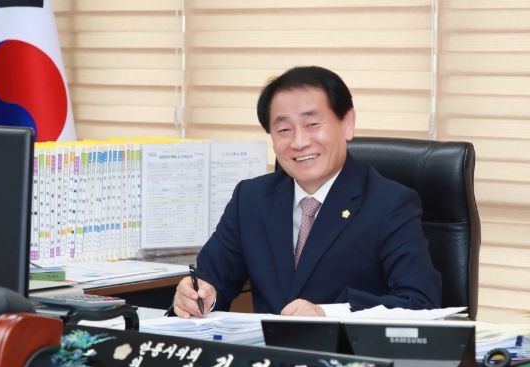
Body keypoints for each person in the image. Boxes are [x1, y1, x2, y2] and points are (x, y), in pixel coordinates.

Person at [173, 66, 441, 318]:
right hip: (264, 350)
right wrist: (194, 298)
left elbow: (420, 303)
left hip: (345, 351)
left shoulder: (389, 203)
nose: (299, 142)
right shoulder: (251, 199)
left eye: (312, 124)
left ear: (347, 122)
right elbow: (210, 282)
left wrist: (327, 314)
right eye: (283, 130)